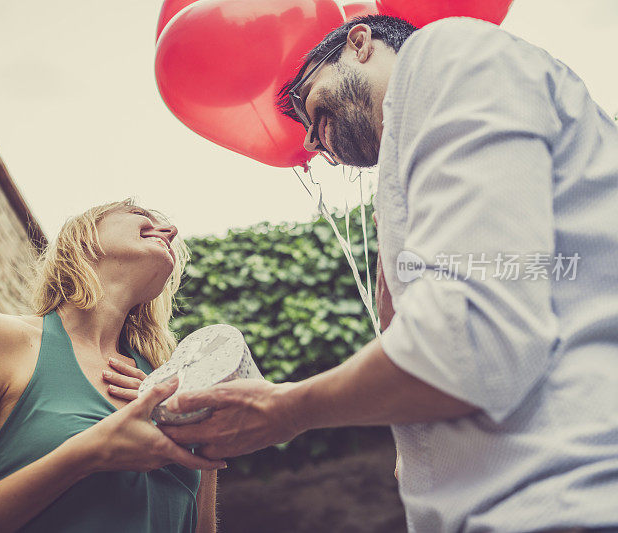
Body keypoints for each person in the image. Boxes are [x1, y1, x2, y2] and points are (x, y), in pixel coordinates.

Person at [160, 14, 618, 533]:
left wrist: (287, 408)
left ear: (360, 43)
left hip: (565, 504)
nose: (310, 142)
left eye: (309, 104)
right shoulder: (416, 172)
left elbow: (472, 342)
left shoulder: (443, 53)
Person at [0, 199, 224, 533]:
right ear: (83, 237)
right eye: (139, 214)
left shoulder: (171, 387)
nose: (170, 229)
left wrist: (203, 434)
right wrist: (87, 453)